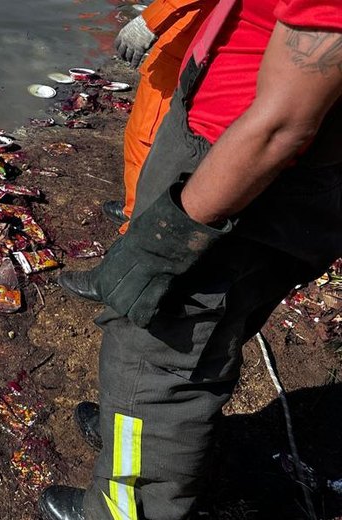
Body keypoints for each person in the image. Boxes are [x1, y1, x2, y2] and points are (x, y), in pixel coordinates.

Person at [42, 0, 342, 518]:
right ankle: (132, 429)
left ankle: (126, 504)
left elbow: (282, 125)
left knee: (157, 345)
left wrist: (167, 239)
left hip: (239, 171)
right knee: (203, 339)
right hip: (248, 158)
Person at [105, 0, 215, 230]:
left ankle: (136, 222)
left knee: (146, 135)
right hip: (221, 39)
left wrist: (148, 22)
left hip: (192, 38)